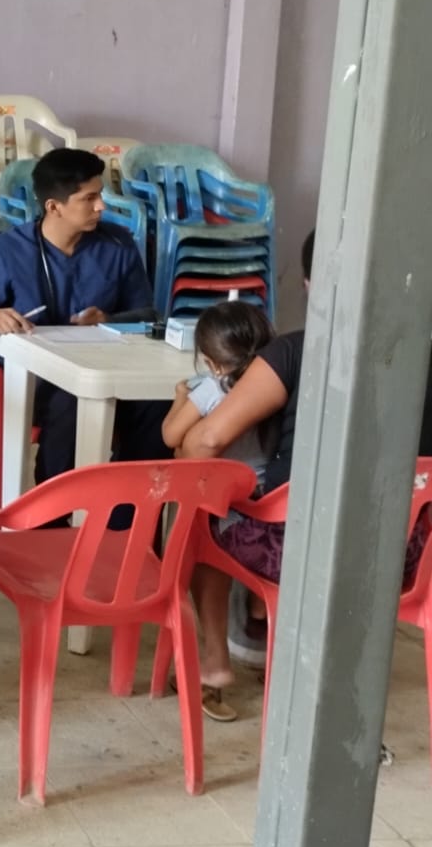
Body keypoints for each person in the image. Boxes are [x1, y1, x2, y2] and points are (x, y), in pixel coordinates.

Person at [180, 231, 432, 718]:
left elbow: (207, 441)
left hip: (299, 550)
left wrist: (183, 442)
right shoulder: (423, 353)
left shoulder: (296, 351)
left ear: (313, 285)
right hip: (401, 555)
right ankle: (265, 626)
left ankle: (218, 658)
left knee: (208, 512)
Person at [0, 147, 165, 486]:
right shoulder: (4, 252)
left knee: (157, 401)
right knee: (74, 401)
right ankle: (54, 512)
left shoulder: (117, 244)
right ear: (54, 206)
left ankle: (127, 509)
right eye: (89, 198)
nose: (101, 206)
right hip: (29, 379)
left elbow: (147, 314)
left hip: (100, 368)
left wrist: (108, 319)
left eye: (100, 195)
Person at [161, 300, 276, 482]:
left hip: (216, 487)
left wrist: (181, 396)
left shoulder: (212, 388)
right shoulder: (273, 385)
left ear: (212, 364)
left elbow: (171, 436)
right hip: (259, 485)